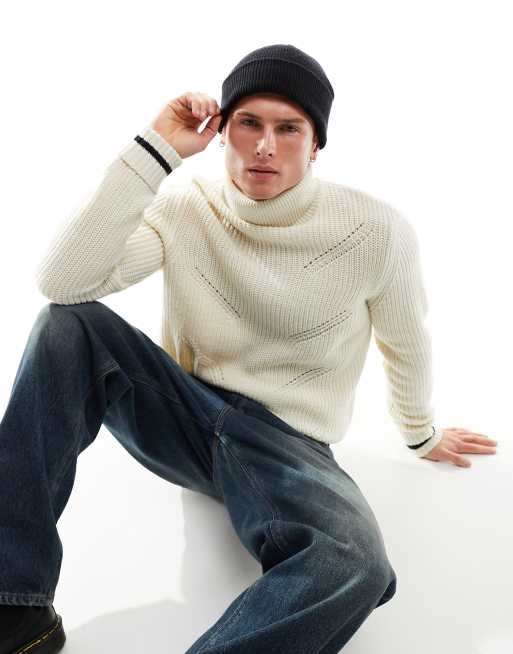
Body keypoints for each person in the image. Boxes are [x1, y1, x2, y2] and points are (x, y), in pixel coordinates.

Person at [0, 44, 497, 654]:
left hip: (288, 444)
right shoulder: (186, 207)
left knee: (355, 562)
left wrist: (420, 433)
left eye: (289, 129)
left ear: (315, 145)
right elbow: (63, 282)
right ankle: (14, 607)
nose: (265, 146)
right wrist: (156, 152)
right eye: (249, 123)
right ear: (221, 132)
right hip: (182, 413)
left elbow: (406, 342)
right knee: (65, 327)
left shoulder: (376, 231)